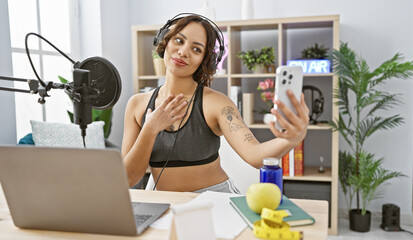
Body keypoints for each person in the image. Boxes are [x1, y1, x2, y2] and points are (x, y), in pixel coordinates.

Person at [121, 14, 310, 193]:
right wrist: (150, 128)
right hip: (167, 205)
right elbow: (128, 178)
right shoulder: (137, 105)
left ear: (205, 60)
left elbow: (255, 155)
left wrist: (291, 139)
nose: (184, 51)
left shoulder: (217, 103)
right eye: (179, 40)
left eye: (196, 49)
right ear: (165, 41)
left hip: (214, 199)